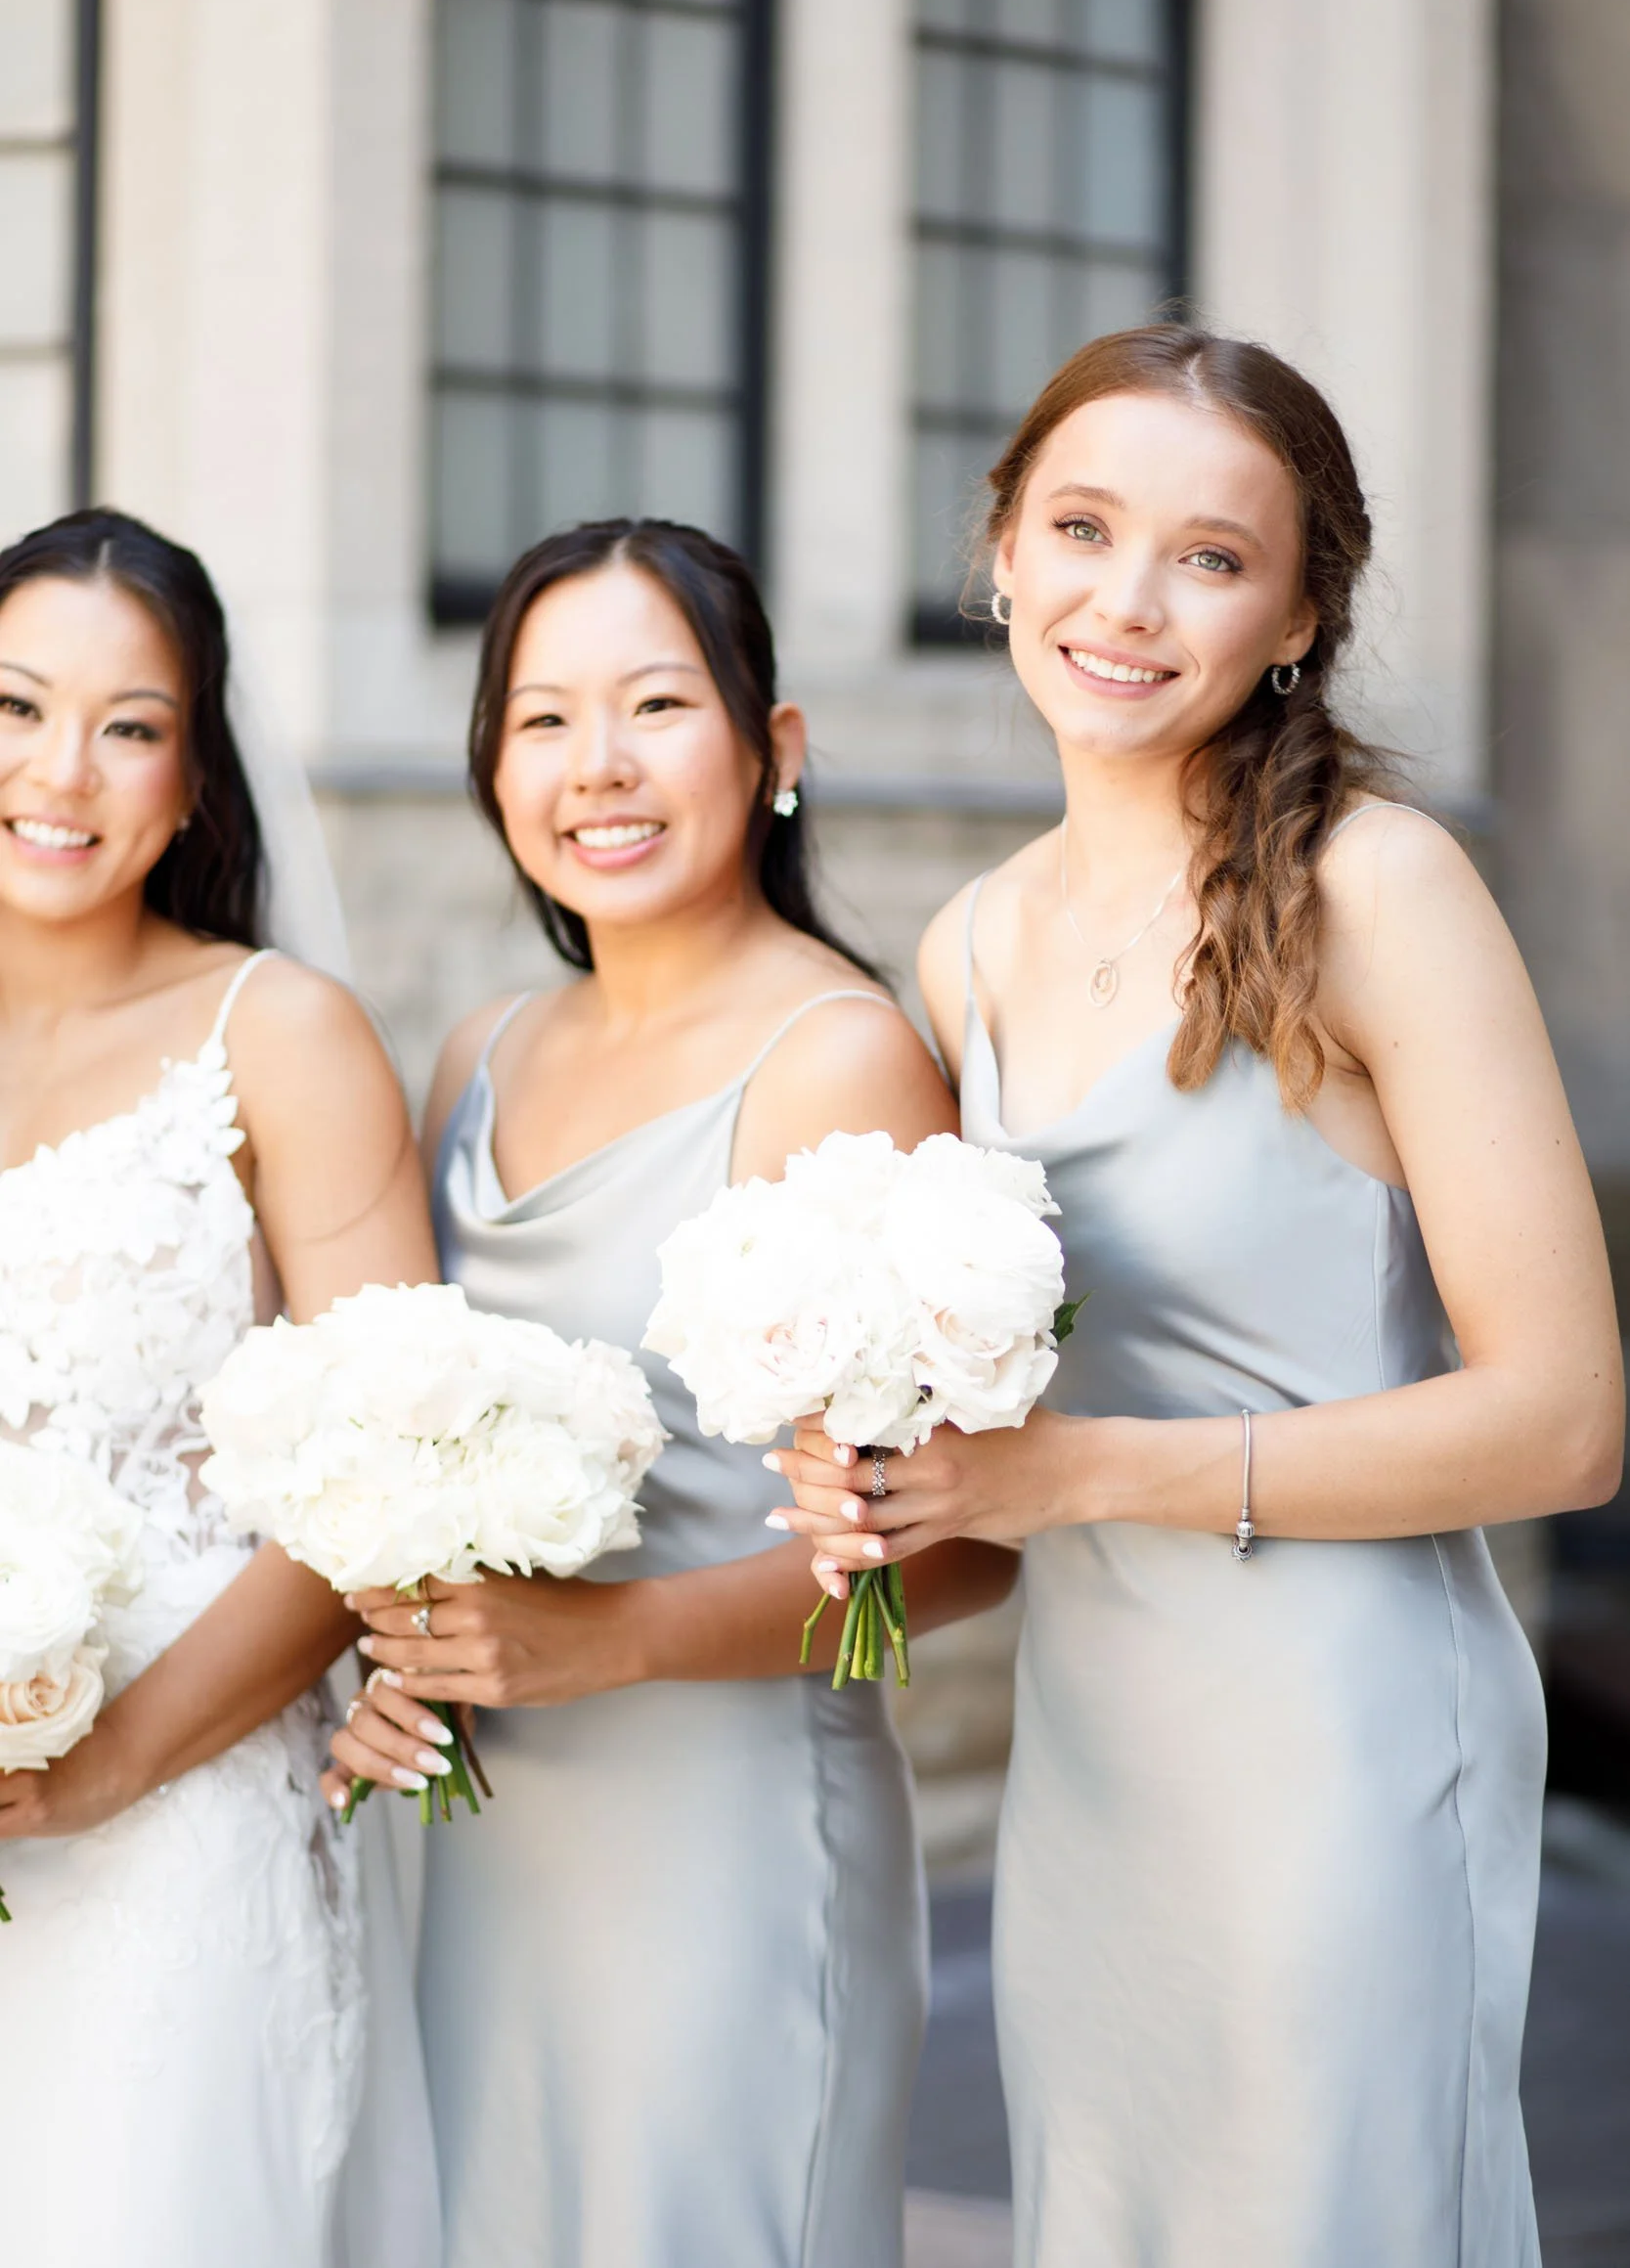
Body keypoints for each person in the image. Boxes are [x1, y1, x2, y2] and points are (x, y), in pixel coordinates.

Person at [772, 328, 1624, 2268]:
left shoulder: (1374, 884)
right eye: (1078, 527)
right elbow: (988, 1390)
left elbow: (1563, 1418)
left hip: (1336, 1738)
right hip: (1098, 1745)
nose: (1124, 601)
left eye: (1207, 557)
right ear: (997, 546)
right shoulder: (968, 940)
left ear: (1298, 613)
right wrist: (882, 1463)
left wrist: (1071, 1472)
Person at [327, 518, 1016, 2268]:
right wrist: (398, 1646)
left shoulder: (840, 1056)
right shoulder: (481, 1050)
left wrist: (604, 1643)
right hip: (481, 1841)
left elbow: (964, 1547)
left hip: (722, 1845)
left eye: (655, 704)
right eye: (542, 719)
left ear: (771, 750)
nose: (599, 767)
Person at [0, 510, 441, 2268]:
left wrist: (104, 1769)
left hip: (175, 1827)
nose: (62, 772)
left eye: (130, 726)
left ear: (196, 778)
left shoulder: (278, 1036)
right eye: (16, 706)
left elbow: (393, 1482)